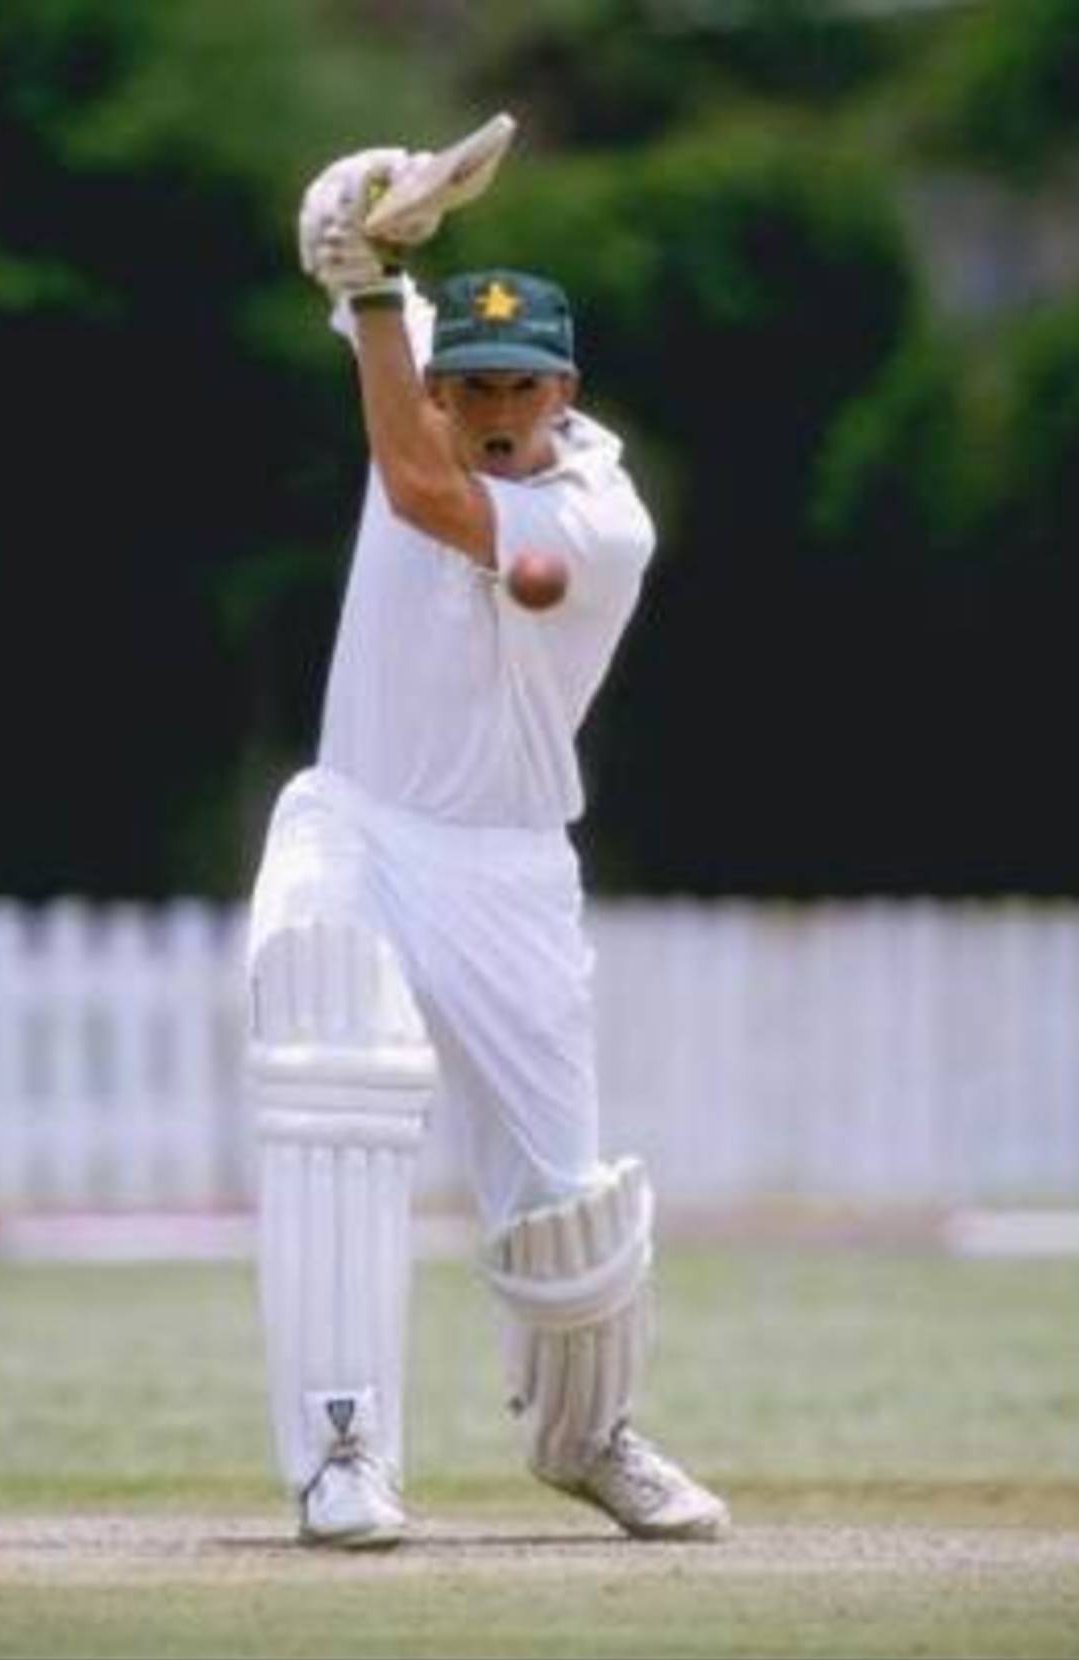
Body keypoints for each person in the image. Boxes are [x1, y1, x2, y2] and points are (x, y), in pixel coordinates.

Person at [244, 143, 728, 1549]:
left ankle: (589, 1439)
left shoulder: (599, 521)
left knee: (565, 1209)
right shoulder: (424, 394)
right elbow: (359, 287)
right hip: (355, 815)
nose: (494, 411)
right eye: (472, 386)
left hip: (509, 863)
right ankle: (344, 1447)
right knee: (328, 1049)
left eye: (523, 386)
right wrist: (346, 227)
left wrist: (375, 291)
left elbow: (411, 485)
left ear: (565, 395)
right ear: (443, 385)